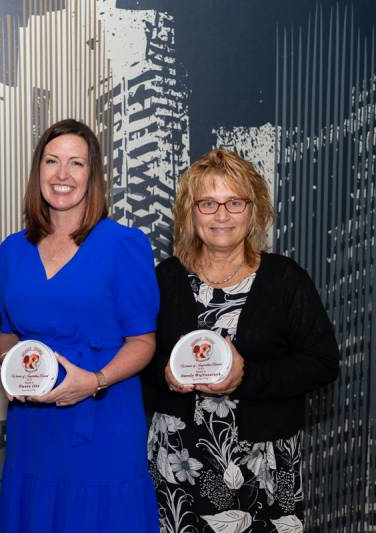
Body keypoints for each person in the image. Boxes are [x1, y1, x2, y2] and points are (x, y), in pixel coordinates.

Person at [141, 149, 340, 531]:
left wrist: (247, 376)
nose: (221, 215)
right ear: (189, 212)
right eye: (208, 203)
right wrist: (163, 375)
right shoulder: (163, 279)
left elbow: (322, 363)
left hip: (263, 465)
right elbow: (139, 356)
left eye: (234, 202)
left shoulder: (285, 279)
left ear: (254, 210)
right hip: (179, 462)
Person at [0, 119, 160, 532]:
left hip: (103, 416)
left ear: (93, 175)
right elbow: (4, 334)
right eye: (52, 161)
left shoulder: (125, 244)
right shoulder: (12, 250)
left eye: (76, 164)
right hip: (33, 421)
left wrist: (95, 380)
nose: (62, 175)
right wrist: (14, 363)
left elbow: (143, 340)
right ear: (38, 172)